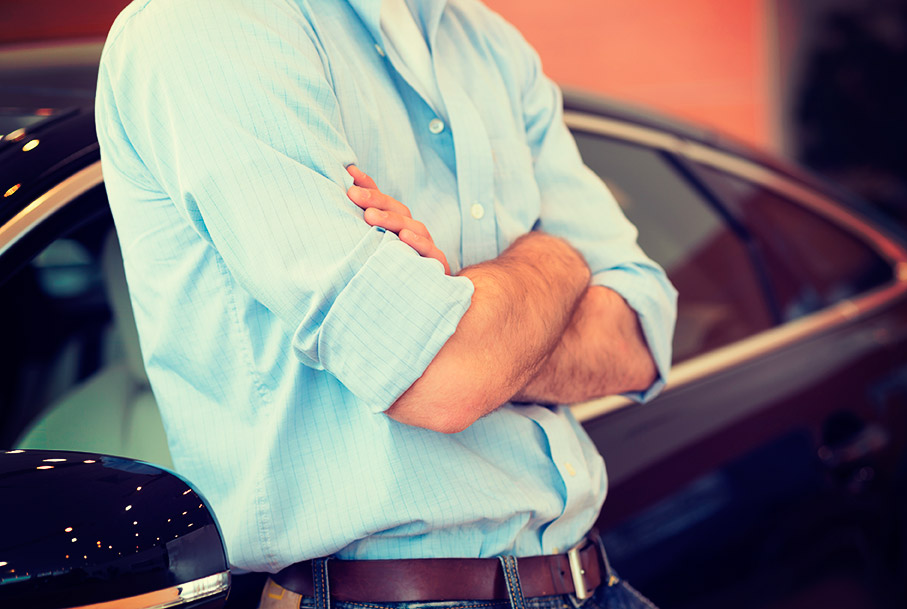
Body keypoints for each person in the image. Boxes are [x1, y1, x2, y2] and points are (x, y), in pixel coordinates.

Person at [95, 0, 677, 607]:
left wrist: (474, 316)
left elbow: (640, 334)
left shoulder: (489, 43)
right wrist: (556, 259)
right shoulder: (212, 25)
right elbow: (443, 376)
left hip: (591, 578)